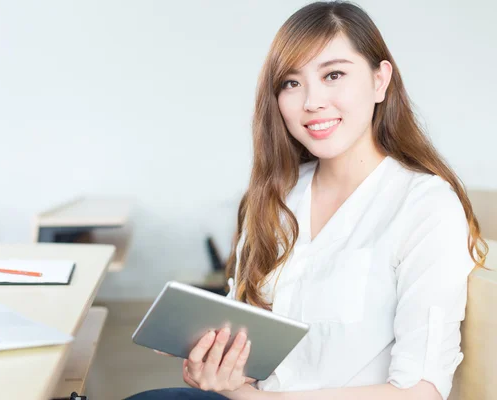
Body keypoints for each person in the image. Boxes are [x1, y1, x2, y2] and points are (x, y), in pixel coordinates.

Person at [125, 1, 488, 399]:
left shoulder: (426, 206)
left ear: (380, 81)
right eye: (291, 83)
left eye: (334, 74)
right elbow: (251, 348)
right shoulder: (276, 194)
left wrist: (252, 398)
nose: (311, 101)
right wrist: (217, 362)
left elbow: (421, 391)